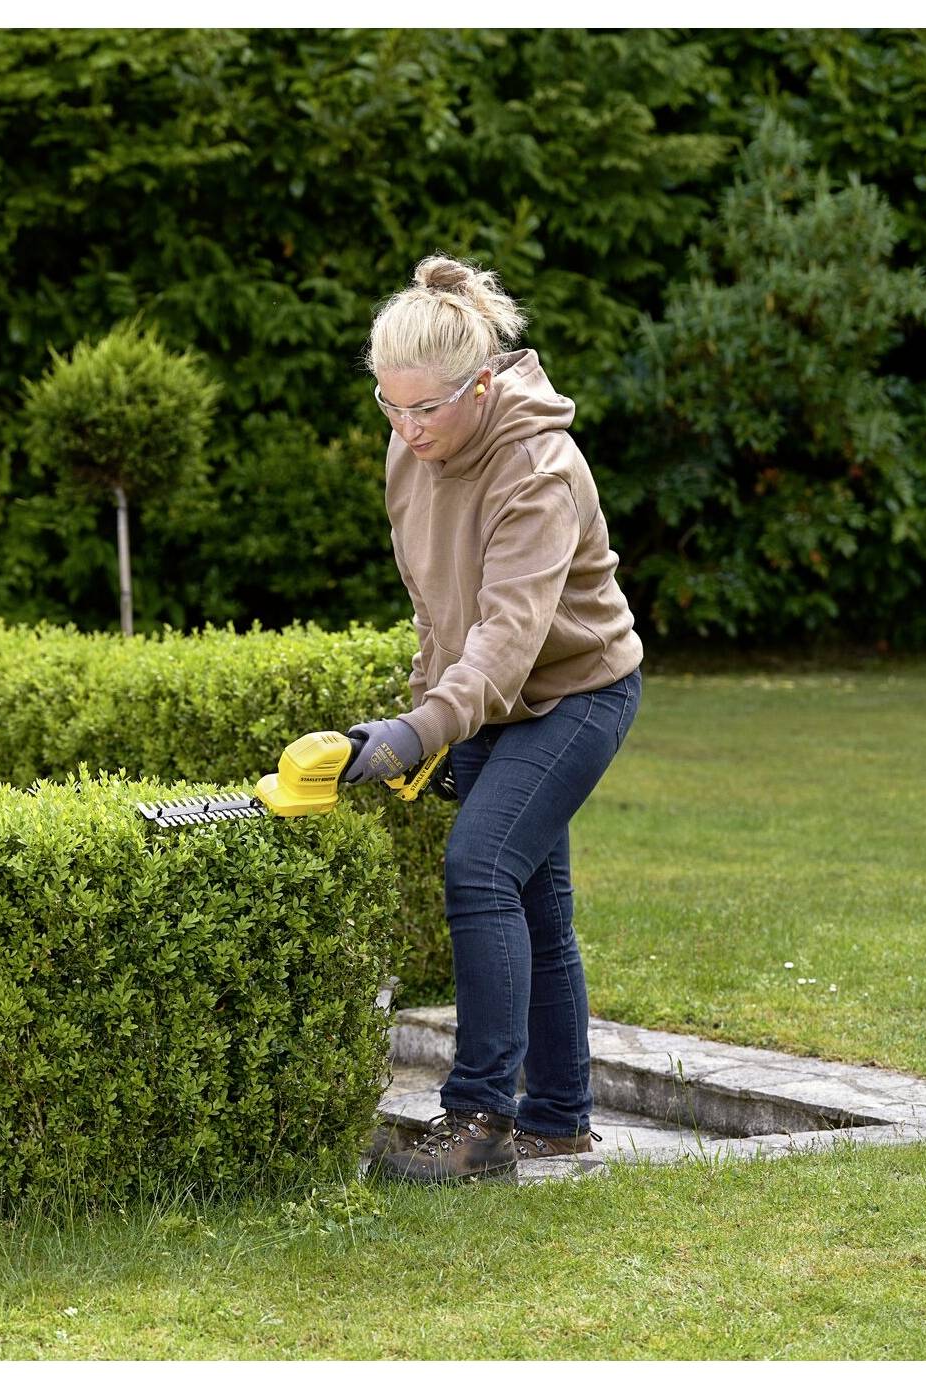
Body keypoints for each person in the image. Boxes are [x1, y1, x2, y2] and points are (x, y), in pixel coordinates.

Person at [334, 254, 645, 1185]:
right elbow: (441, 607)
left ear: (479, 385)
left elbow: (510, 641)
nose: (406, 428)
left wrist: (423, 727)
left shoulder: (537, 469)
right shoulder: (410, 448)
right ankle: (558, 1120)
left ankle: (477, 1123)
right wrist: (422, 713)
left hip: (576, 693)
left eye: (425, 408)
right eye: (389, 407)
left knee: (478, 867)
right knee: (534, 902)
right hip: (491, 704)